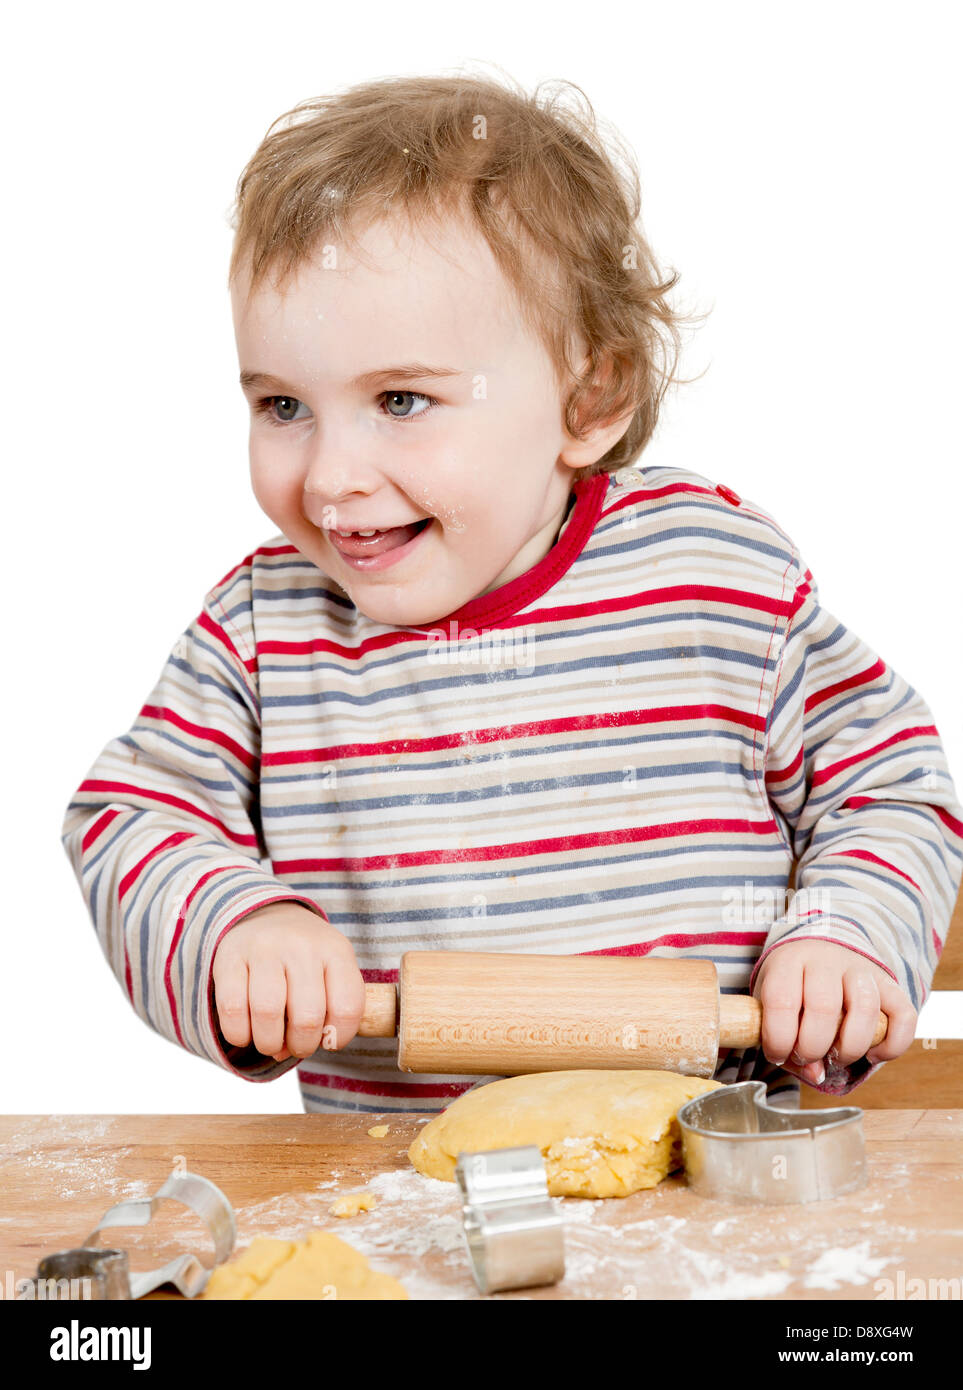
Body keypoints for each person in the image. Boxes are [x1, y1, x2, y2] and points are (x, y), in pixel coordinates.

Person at [61, 72, 963, 1113]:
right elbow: (128, 815)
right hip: (405, 1213)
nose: (329, 477)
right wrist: (233, 924)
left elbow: (888, 785)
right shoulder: (265, 632)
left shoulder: (715, 578)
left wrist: (844, 932)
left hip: (720, 1187)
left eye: (401, 400)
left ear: (591, 398)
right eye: (283, 405)